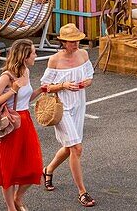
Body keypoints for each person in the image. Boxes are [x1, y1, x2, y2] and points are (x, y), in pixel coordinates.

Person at [0, 38, 45, 211]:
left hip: (25, 123)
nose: (36, 55)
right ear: (24, 56)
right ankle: (11, 208)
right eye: (33, 52)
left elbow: (24, 99)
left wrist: (41, 91)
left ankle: (18, 197)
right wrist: (13, 89)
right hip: (11, 125)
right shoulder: (7, 77)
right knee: (9, 168)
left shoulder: (26, 72)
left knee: (34, 167)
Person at [41, 23, 96, 207]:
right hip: (62, 107)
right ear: (63, 42)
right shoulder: (54, 60)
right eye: (72, 41)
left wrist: (86, 82)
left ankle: (48, 170)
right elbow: (45, 87)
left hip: (79, 104)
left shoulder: (83, 54)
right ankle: (82, 191)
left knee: (69, 147)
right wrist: (63, 85)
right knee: (76, 148)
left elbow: (89, 75)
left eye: (77, 40)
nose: (76, 44)